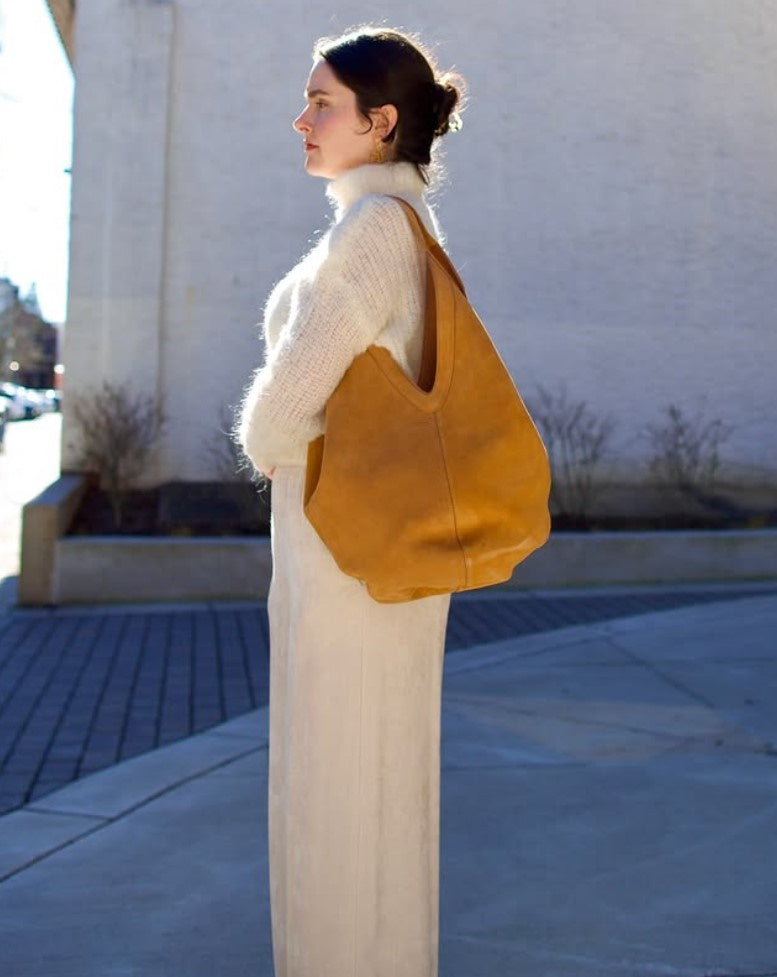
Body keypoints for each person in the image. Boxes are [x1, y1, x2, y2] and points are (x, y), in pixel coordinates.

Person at [236, 26, 464, 977]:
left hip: (342, 562)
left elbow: (276, 419)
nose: (302, 118)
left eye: (321, 103)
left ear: (380, 123)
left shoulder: (370, 234)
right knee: (385, 792)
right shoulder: (403, 228)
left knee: (334, 795)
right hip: (381, 560)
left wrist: (269, 439)